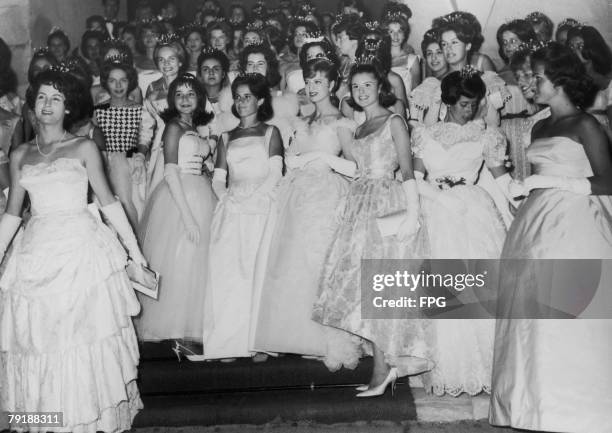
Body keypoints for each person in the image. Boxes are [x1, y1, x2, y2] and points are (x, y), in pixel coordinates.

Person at [0, 68, 144, 433]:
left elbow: (110, 204)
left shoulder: (83, 147)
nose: (47, 105)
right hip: (36, 252)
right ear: (32, 105)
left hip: (81, 253)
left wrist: (136, 254)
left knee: (80, 340)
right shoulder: (19, 154)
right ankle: (46, 421)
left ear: (68, 108)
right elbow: (13, 215)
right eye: (42, 97)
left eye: (57, 99)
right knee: (38, 343)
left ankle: (84, 421)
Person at [490, 42, 612, 433]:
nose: (529, 84)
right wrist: (518, 185)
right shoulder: (539, 125)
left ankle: (579, 410)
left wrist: (553, 181)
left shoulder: (586, 124)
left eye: (535, 77)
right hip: (536, 226)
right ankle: (534, 407)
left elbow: (607, 181)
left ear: (559, 79)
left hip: (576, 225)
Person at [313, 60, 431, 397]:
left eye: (368, 85)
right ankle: (382, 367)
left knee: (379, 288)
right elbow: (357, 170)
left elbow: (407, 171)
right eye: (356, 87)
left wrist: (412, 214)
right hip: (359, 205)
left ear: (381, 87)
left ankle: (383, 370)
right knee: (362, 290)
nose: (361, 92)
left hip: (386, 204)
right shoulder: (359, 128)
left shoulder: (394, 121)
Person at [251, 58, 361, 370]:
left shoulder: (342, 123)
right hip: (296, 194)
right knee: (292, 263)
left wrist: (322, 157)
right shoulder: (302, 122)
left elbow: (355, 168)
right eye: (309, 82)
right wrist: (294, 158)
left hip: (326, 195)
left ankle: (323, 340)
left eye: (318, 82)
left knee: (319, 262)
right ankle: (292, 336)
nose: (312, 88)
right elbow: (292, 158)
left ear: (332, 85)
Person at [411, 68, 508, 396]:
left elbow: (503, 178)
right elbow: (414, 177)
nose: (471, 110)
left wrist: (520, 203)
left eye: (475, 103)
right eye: (464, 104)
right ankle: (442, 367)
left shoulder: (487, 135)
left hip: (472, 210)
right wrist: (438, 197)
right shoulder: (425, 134)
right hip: (435, 209)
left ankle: (484, 366)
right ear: (448, 102)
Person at [202, 73, 283, 361]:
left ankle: (257, 340)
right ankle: (229, 341)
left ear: (260, 100)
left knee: (256, 271)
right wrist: (228, 198)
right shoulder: (226, 136)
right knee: (229, 272)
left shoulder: (271, 132)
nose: (241, 101)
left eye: (247, 96)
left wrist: (254, 198)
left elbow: (275, 173)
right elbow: (218, 178)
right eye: (237, 96)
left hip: (262, 206)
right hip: (233, 208)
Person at [137, 74, 216, 355]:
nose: (184, 98)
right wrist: (188, 217)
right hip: (179, 198)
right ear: (172, 100)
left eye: (190, 93)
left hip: (199, 192)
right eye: (179, 94)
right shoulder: (173, 126)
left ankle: (189, 333)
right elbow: (170, 171)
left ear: (200, 99)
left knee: (196, 266)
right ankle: (177, 333)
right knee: (180, 262)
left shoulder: (191, 127)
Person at [94, 58, 149, 227]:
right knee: (119, 203)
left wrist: (140, 156)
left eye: (123, 80)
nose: (118, 86)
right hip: (109, 163)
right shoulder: (99, 110)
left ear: (130, 82)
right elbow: (96, 140)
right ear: (106, 83)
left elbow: (144, 137)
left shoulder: (139, 109)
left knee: (137, 204)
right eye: (113, 81)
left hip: (134, 163)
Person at [382, 9, 421, 94]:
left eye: (399, 31)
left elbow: (416, 93)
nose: (395, 36)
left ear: (404, 35)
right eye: (391, 31)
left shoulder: (412, 60)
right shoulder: (379, 58)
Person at [495, 19, 537, 85]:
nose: (508, 46)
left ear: (526, 42)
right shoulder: (501, 75)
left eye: (513, 41)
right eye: (504, 42)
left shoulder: (535, 69)